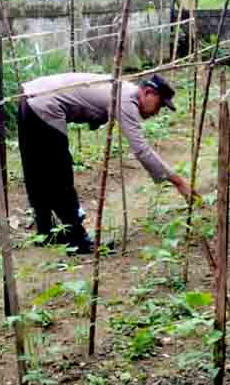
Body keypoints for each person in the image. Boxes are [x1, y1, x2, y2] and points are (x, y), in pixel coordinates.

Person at [17, 72, 193, 254]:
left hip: (29, 96)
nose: (156, 113)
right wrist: (178, 181)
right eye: (159, 105)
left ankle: (45, 231)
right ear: (148, 93)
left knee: (36, 169)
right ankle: (78, 239)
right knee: (60, 171)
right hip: (45, 104)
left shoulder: (121, 87)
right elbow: (142, 150)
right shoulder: (125, 100)